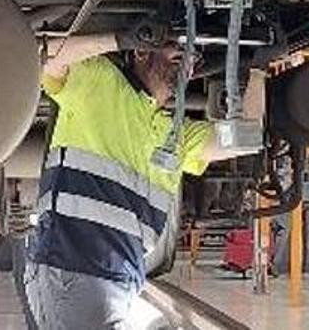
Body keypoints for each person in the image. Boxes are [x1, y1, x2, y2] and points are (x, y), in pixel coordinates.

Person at [25, 20, 256, 329]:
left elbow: (246, 139)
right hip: (75, 270)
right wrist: (118, 36)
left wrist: (260, 68)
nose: (187, 58)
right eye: (177, 49)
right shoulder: (99, 82)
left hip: (113, 280)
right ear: (142, 53)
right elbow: (45, 56)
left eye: (191, 56)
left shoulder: (175, 135)